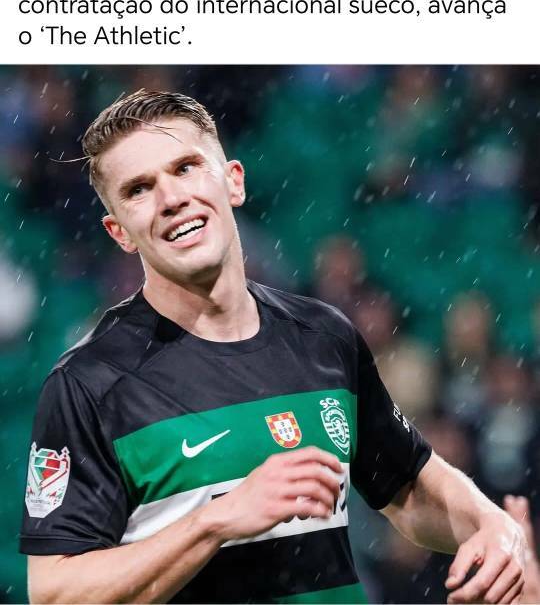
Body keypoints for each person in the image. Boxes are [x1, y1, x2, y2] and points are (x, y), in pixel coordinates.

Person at [20, 91, 526, 604]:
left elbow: (409, 487)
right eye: (139, 189)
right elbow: (56, 593)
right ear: (119, 233)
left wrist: (490, 524)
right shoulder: (90, 384)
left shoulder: (324, 337)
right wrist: (214, 522)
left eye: (186, 168)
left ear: (233, 181)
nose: (172, 198)